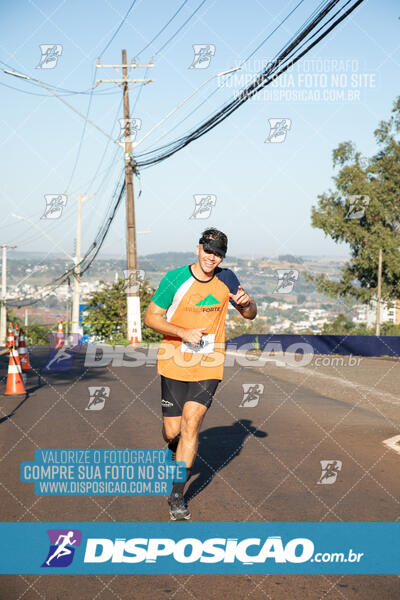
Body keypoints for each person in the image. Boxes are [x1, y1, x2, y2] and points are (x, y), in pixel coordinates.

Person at [144, 228, 257, 520]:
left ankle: (177, 496)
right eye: (208, 251)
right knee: (173, 431)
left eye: (218, 253)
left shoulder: (227, 278)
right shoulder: (175, 279)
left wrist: (246, 303)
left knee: (192, 424)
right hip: (174, 361)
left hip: (209, 362)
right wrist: (182, 332)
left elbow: (250, 314)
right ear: (198, 249)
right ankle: (174, 446)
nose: (212, 257)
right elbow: (151, 318)